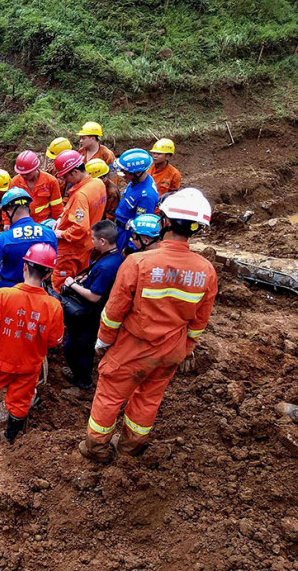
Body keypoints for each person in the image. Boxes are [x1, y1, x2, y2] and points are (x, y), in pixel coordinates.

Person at [80, 188, 217, 462]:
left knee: (109, 396)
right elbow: (199, 322)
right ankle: (130, 448)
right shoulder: (206, 271)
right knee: (149, 398)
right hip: (171, 350)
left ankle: (96, 449)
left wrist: (103, 342)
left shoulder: (138, 262)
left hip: (133, 348)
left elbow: (113, 313)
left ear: (164, 222)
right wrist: (185, 348)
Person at [0, 243, 64, 443]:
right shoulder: (54, 306)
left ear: (24, 267)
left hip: (1, 359)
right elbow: (54, 340)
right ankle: (9, 437)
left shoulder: (5, 295)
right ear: (48, 274)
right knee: (21, 401)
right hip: (30, 365)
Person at [59, 220, 124, 398]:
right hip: (98, 313)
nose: (92, 242)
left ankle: (83, 384)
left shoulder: (105, 267)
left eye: (93, 239)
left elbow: (94, 296)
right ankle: (81, 371)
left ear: (103, 241)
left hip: (90, 314)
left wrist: (72, 284)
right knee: (84, 346)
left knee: (75, 348)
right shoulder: (115, 258)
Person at [52, 150, 107, 291]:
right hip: (87, 244)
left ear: (75, 172)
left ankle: (60, 309)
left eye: (65, 177)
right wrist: (61, 217)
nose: (65, 181)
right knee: (78, 280)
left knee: (61, 284)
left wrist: (61, 234)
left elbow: (80, 227)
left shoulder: (81, 195)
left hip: (72, 248)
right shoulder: (98, 183)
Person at [0, 187, 57, 290]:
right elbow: (53, 265)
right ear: (28, 207)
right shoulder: (49, 234)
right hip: (37, 290)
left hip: (9, 291)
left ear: (9, 211)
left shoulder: (4, 238)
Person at [113, 149, 159, 253]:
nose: (123, 175)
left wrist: (131, 247)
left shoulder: (146, 196)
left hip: (127, 234)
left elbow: (140, 225)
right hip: (120, 228)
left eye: (126, 173)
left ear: (137, 172)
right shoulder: (136, 181)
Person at [10, 151, 64, 223]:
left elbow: (57, 206)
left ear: (36, 168)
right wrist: (7, 222)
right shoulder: (15, 182)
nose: (24, 176)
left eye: (27, 173)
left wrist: (56, 224)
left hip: (44, 224)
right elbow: (8, 205)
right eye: (22, 174)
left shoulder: (50, 181)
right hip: (23, 224)